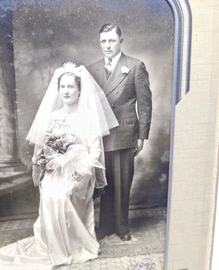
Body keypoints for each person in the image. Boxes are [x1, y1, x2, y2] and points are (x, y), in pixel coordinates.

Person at [0, 63, 118, 269]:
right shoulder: (53, 117)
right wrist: (44, 165)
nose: (66, 91)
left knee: (63, 196)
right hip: (56, 170)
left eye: (71, 87)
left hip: (81, 171)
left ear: (79, 89)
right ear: (58, 89)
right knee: (49, 194)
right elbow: (44, 149)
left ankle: (73, 245)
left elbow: (95, 151)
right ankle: (51, 246)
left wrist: (82, 172)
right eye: (62, 87)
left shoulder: (88, 117)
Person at [88, 24, 152, 241]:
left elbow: (144, 104)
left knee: (123, 184)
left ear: (121, 41)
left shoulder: (135, 66)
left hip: (125, 133)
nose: (107, 45)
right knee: (104, 183)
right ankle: (105, 226)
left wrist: (142, 136)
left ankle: (122, 228)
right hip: (101, 135)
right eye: (103, 41)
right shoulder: (91, 69)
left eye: (111, 41)